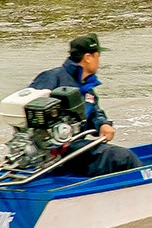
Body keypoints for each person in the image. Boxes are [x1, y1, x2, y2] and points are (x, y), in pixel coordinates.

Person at [28, 34, 142, 176]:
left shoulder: (87, 88)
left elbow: (94, 112)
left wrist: (102, 124)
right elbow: (31, 109)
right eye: (97, 56)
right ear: (88, 57)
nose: (99, 62)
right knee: (125, 158)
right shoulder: (52, 77)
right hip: (55, 151)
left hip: (74, 147)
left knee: (117, 155)